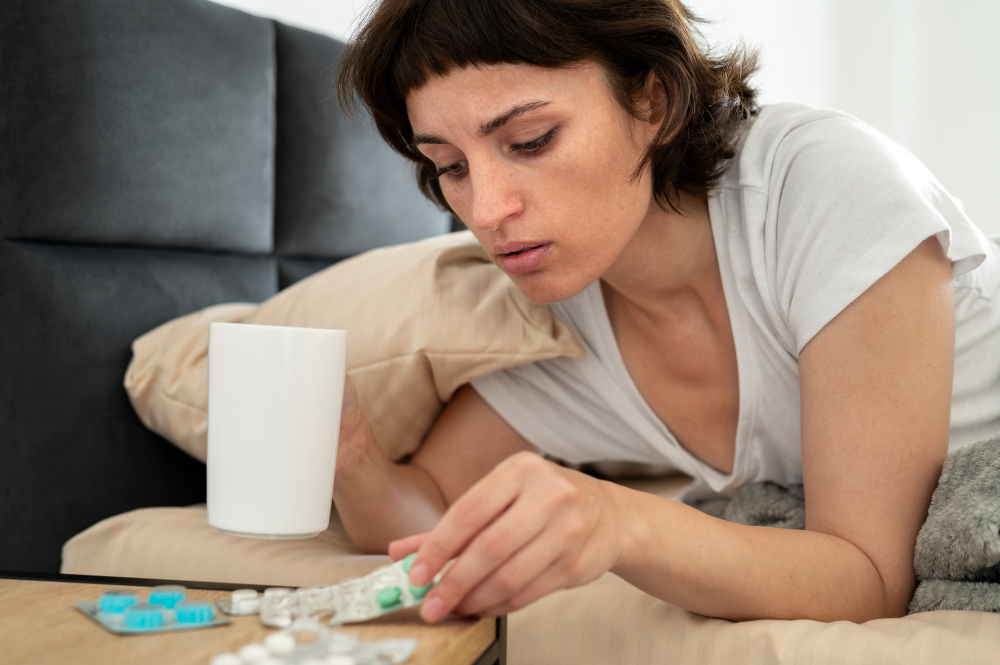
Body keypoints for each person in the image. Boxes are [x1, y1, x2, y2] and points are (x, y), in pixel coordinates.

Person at [330, 0, 1000, 624]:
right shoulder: (555, 329)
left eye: (530, 140)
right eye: (450, 165)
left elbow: (870, 578)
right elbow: (427, 515)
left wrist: (621, 521)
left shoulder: (822, 188)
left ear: (652, 98)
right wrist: (349, 455)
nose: (485, 209)